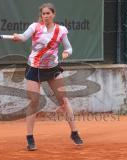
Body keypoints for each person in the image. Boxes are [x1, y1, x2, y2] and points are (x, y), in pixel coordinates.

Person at [12, 3, 83, 151]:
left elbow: (69, 47)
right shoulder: (35, 27)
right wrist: (17, 37)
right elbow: (24, 37)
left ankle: (74, 132)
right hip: (34, 68)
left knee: (64, 100)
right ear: (41, 15)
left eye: (48, 13)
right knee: (34, 101)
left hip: (52, 69)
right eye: (43, 14)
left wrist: (66, 53)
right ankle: (30, 137)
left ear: (53, 14)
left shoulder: (61, 30)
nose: (45, 16)